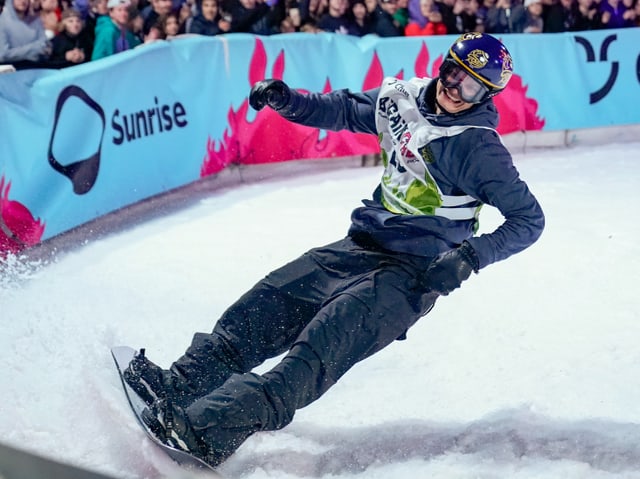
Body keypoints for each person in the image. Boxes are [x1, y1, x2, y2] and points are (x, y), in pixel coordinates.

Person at [124, 32, 545, 468]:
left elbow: (529, 220)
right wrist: (289, 102)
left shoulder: (477, 147)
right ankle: (177, 386)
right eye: (455, 73)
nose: (456, 88)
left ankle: (205, 432)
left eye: (472, 86)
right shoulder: (405, 97)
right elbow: (345, 109)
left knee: (311, 357)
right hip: (360, 244)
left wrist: (470, 257)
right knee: (262, 308)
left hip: (410, 277)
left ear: (486, 95)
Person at [0, 0, 51, 68]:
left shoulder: (35, 19)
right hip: (14, 69)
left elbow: (45, 44)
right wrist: (35, 49)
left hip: (39, 65)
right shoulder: (2, 22)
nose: (23, 1)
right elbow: (3, 55)